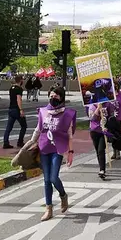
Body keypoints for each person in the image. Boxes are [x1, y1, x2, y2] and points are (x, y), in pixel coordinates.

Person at [26, 87, 76, 221]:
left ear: (61, 98)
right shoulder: (43, 112)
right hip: (44, 148)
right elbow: (38, 129)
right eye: (51, 95)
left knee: (54, 178)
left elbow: (70, 135)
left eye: (57, 96)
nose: (53, 98)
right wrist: (29, 144)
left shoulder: (67, 114)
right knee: (46, 180)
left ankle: (63, 195)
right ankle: (49, 208)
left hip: (58, 149)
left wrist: (70, 152)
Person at [88, 101, 114, 179]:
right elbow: (92, 118)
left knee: (101, 150)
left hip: (103, 131)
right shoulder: (92, 106)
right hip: (94, 131)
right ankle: (101, 166)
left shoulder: (108, 104)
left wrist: (108, 126)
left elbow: (111, 116)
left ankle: (102, 170)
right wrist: (98, 108)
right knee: (97, 151)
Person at [3, 75, 27, 149]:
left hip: (11, 109)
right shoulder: (19, 89)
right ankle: (20, 142)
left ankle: (5, 142)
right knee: (24, 126)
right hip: (16, 109)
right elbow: (18, 99)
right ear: (20, 81)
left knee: (9, 127)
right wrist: (21, 109)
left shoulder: (11, 88)